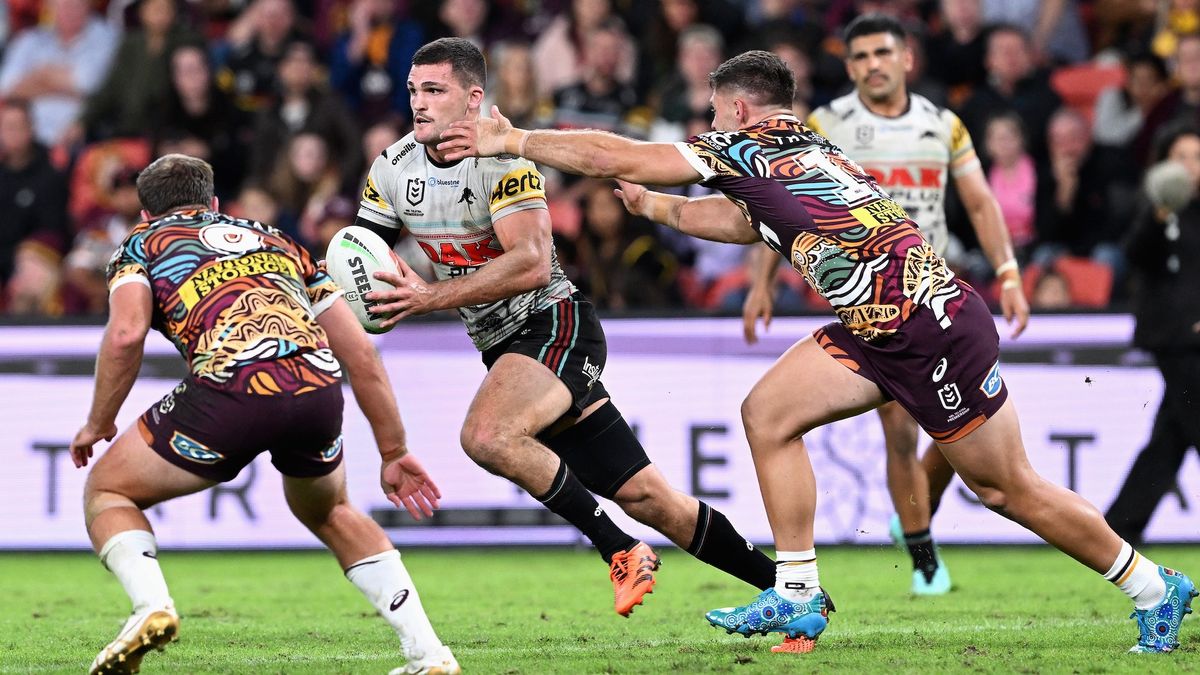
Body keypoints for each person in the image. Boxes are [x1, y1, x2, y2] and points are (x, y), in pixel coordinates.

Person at [436, 49, 1197, 655]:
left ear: (735, 107)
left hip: (924, 330)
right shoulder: (806, 148)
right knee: (767, 413)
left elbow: (624, 154)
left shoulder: (741, 141)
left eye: (712, 111)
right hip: (886, 322)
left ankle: (1154, 588)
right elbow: (746, 226)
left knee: (1009, 491)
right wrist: (660, 207)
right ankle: (796, 590)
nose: (709, 123)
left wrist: (517, 139)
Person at [356, 37, 777, 618]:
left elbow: (530, 262)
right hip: (505, 350)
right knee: (651, 498)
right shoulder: (391, 167)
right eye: (413, 91)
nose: (419, 104)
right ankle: (790, 589)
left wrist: (428, 296)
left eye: (434, 90)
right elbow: (362, 253)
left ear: (473, 99)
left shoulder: (503, 160)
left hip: (555, 325)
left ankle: (619, 548)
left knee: (486, 435)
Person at [69, 154, 458, 675]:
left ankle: (152, 607)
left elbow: (124, 335)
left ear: (145, 214)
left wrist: (99, 421)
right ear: (214, 206)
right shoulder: (279, 241)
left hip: (233, 390)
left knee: (108, 490)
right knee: (332, 510)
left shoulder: (142, 244)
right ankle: (430, 654)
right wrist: (394, 451)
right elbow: (361, 355)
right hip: (317, 388)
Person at [741, 14, 1031, 596]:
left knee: (961, 434)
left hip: (940, 294)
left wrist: (1010, 273)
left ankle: (913, 519)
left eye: (883, 53)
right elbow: (773, 201)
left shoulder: (943, 124)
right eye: (861, 57)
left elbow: (978, 202)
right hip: (877, 304)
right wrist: (761, 283)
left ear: (907, 60)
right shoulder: (825, 123)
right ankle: (924, 560)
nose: (873, 64)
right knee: (902, 434)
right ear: (849, 68)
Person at [1105, 125, 1200, 545]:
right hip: (1172, 338)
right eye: (1182, 157)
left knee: (1171, 436)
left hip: (1193, 336)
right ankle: (1119, 524)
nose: (1190, 167)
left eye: (1197, 158)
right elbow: (1132, 256)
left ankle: (1119, 524)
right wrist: (1160, 213)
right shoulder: (1157, 208)